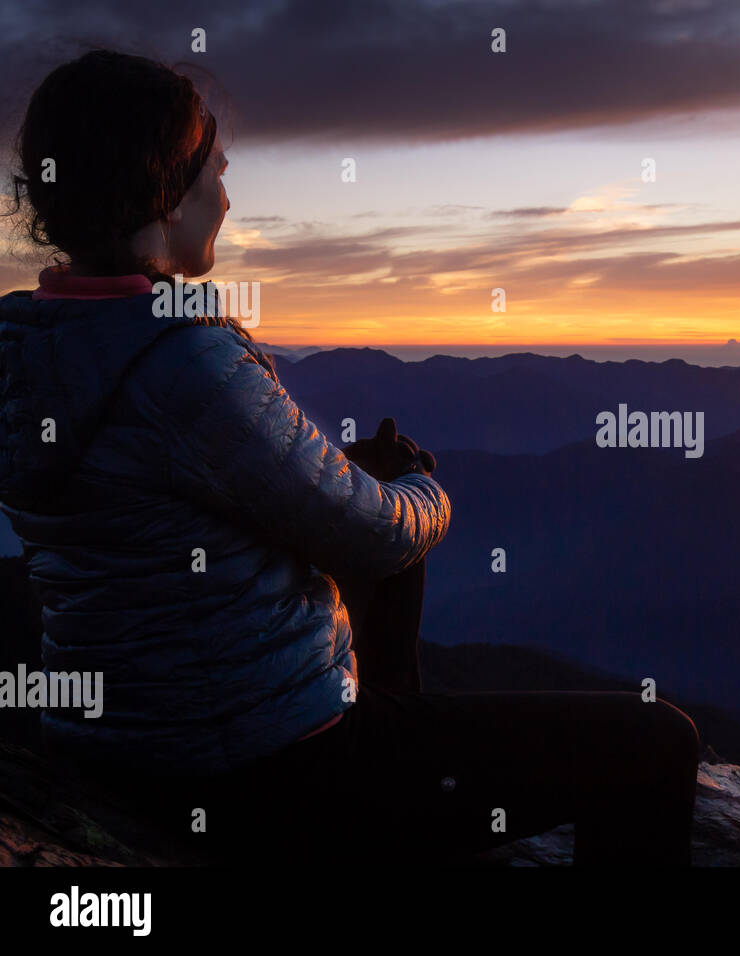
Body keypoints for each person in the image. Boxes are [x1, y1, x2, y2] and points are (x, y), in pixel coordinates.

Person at [0, 49, 699, 865]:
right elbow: (377, 534)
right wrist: (419, 488)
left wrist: (351, 477)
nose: (226, 198)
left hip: (112, 743)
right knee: (656, 743)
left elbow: (166, 495)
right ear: (169, 191)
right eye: (217, 173)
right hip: (257, 763)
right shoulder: (184, 362)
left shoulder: (29, 349)